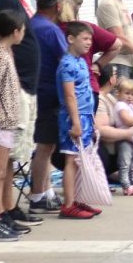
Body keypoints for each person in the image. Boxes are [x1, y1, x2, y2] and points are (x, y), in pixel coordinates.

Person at [0, 0, 42, 222]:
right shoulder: (1, 1)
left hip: (25, 87)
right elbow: (0, 44)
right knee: (6, 156)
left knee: (15, 154)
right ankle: (0, 210)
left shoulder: (16, 0)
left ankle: (7, 206)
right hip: (15, 88)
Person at [28, 0, 70, 214]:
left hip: (35, 93)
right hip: (48, 96)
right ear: (58, 5)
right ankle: (38, 195)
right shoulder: (51, 31)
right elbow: (66, 61)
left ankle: (44, 191)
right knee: (45, 147)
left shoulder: (31, 25)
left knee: (44, 146)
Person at [57, 22, 98, 219]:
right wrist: (75, 122)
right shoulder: (67, 64)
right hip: (73, 117)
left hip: (86, 115)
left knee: (82, 160)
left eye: (90, 39)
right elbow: (70, 95)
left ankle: (79, 198)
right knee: (71, 160)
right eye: (84, 38)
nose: (89, 42)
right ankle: (69, 203)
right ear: (71, 39)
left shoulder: (82, 61)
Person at [0, 9, 26, 240]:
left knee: (2, 174)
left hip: (7, 122)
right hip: (1, 123)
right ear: (15, 32)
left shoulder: (5, 54)